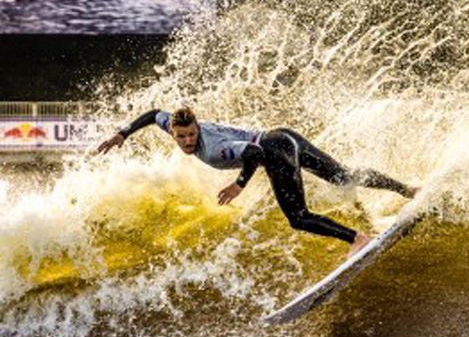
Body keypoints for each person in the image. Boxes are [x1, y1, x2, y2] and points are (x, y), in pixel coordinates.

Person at [96, 108, 419, 257]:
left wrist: (239, 184)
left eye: (192, 134)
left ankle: (357, 239)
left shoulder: (212, 150)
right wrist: (123, 133)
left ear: (197, 129)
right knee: (343, 176)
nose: (188, 141)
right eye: (182, 137)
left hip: (273, 148)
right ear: (174, 133)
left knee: (298, 217)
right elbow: (154, 114)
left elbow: (252, 152)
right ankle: (407, 189)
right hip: (284, 135)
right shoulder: (172, 124)